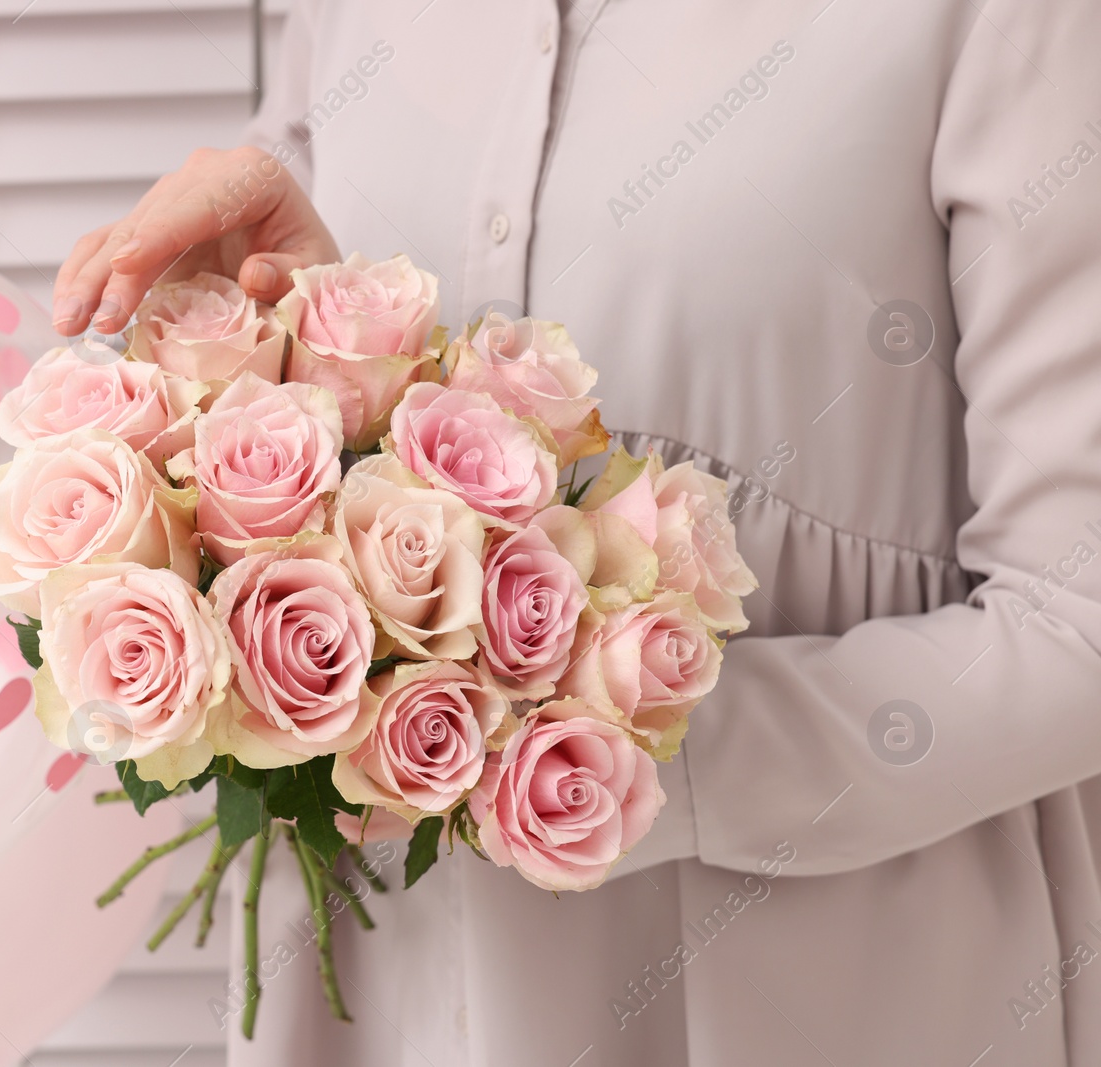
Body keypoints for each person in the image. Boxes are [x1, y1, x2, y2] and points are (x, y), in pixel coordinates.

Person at [54, 2, 1101, 1064]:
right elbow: (314, 354)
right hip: (389, 984)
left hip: (824, 984)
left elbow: (1078, 626)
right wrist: (271, 381)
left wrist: (575, 757)